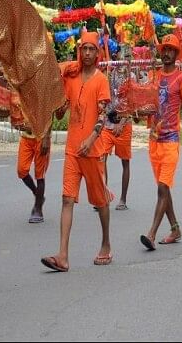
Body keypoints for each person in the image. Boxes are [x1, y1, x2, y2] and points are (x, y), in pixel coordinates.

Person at [41, 31, 113, 273]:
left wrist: (92, 138)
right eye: (84, 49)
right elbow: (61, 111)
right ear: (79, 52)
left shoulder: (101, 80)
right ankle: (62, 256)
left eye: (92, 49)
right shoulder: (71, 78)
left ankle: (106, 243)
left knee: (100, 202)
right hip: (73, 150)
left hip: (92, 152)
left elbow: (104, 115)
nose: (88, 53)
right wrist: (56, 97)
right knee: (66, 199)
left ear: (98, 53)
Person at [139, 35, 182, 250]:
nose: (166, 53)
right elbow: (145, 105)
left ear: (176, 54)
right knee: (163, 190)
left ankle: (152, 233)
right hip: (154, 141)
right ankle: (175, 228)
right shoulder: (152, 77)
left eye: (170, 50)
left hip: (172, 141)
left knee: (163, 187)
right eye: (164, 49)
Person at [13, 90, 51, 223]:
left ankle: (38, 208)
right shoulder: (21, 86)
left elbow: (48, 112)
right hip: (26, 137)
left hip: (41, 137)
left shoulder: (41, 84)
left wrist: (46, 137)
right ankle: (38, 194)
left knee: (40, 175)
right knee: (21, 170)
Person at [101, 106, 132, 211]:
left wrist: (121, 123)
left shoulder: (126, 88)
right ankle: (103, 197)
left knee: (125, 162)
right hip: (107, 127)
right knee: (101, 159)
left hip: (124, 127)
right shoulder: (105, 88)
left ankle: (123, 200)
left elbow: (130, 105)